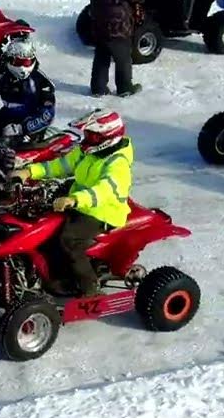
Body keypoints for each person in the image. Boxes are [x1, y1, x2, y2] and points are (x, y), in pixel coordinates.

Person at [11, 109, 133, 297]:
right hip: (80, 204)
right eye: (87, 134)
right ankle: (55, 277)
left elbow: (104, 190)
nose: (87, 139)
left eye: (92, 135)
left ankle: (89, 289)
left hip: (102, 211)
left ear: (107, 137)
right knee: (43, 229)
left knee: (69, 240)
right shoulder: (88, 152)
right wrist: (29, 172)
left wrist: (74, 199)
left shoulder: (118, 163)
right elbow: (61, 165)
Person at [89, 0, 144, 98]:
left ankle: (98, 88)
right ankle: (125, 88)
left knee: (102, 55)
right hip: (117, 23)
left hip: (99, 20)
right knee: (123, 57)